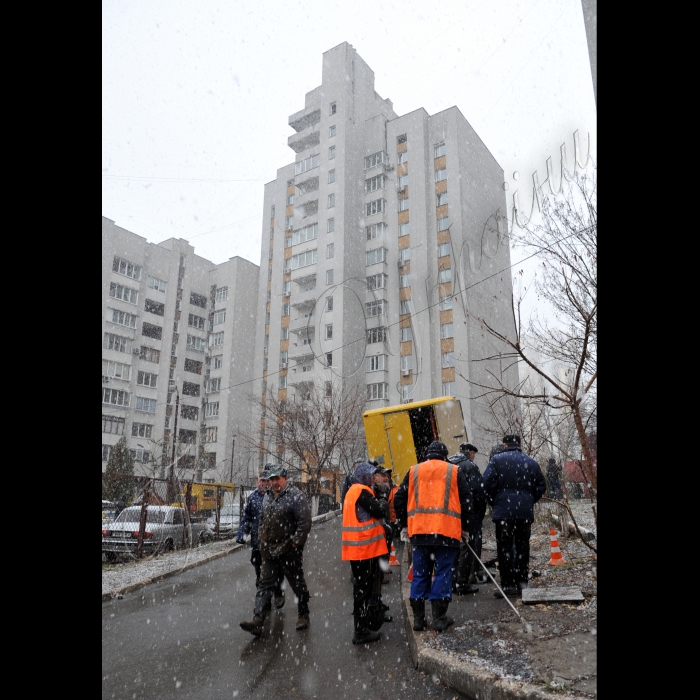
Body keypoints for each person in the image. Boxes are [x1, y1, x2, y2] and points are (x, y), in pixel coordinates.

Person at [394, 441, 472, 632]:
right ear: (445, 456)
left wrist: (404, 524)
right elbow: (466, 500)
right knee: (443, 573)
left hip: (419, 533)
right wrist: (465, 528)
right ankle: (439, 618)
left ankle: (419, 620)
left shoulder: (414, 471)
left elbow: (399, 499)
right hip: (446, 533)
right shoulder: (454, 471)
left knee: (421, 573)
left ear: (427, 455)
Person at [239, 466, 312, 636]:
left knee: (297, 583)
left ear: (285, 478)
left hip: (288, 549)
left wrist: (296, 544)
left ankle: (303, 614)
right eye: (271, 480)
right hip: (269, 550)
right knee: (264, 585)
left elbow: (305, 522)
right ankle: (258, 620)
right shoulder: (268, 497)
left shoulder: (295, 496)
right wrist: (262, 539)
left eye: (277, 479)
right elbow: (263, 520)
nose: (274, 483)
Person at [483, 434, 546, 599]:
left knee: (505, 549)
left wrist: (495, 501)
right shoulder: (531, 462)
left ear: (504, 445)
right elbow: (541, 485)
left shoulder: (496, 461)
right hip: (524, 513)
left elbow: (487, 483)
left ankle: (508, 585)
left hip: (504, 513)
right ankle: (522, 585)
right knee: (523, 548)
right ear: (520, 444)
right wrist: (529, 500)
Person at [341, 462, 390, 644]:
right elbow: (378, 510)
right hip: (364, 548)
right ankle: (361, 631)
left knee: (361, 589)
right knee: (362, 590)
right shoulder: (361, 491)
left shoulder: (352, 491)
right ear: (363, 476)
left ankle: (363, 626)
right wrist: (383, 499)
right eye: (370, 475)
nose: (372, 478)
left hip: (358, 549)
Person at [236, 469, 285, 608]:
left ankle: (278, 592)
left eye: (267, 481)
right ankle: (265, 601)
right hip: (258, 544)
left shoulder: (277, 496)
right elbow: (247, 519)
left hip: (274, 543)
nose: (264, 483)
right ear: (259, 481)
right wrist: (242, 535)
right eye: (262, 481)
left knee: (275, 570)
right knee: (259, 573)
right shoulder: (253, 497)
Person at [447, 442, 485, 595]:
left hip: (449, 514)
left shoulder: (448, 463)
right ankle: (462, 582)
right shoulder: (469, 466)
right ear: (470, 453)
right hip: (468, 513)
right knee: (468, 548)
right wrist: (479, 514)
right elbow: (479, 492)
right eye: (473, 454)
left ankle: (451, 582)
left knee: (452, 548)